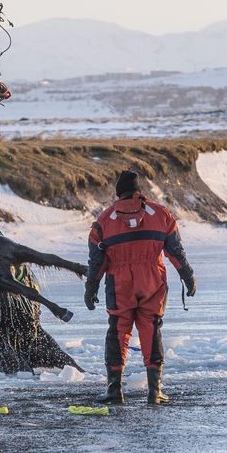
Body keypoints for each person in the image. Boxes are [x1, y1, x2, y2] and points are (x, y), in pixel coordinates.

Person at [84, 170, 196, 405]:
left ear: (118, 192)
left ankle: (115, 390)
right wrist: (187, 276)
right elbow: (175, 251)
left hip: (119, 284)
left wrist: (91, 288)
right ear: (138, 190)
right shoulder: (161, 214)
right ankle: (154, 392)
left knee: (117, 332)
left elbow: (97, 261)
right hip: (152, 282)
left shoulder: (105, 219)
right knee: (151, 331)